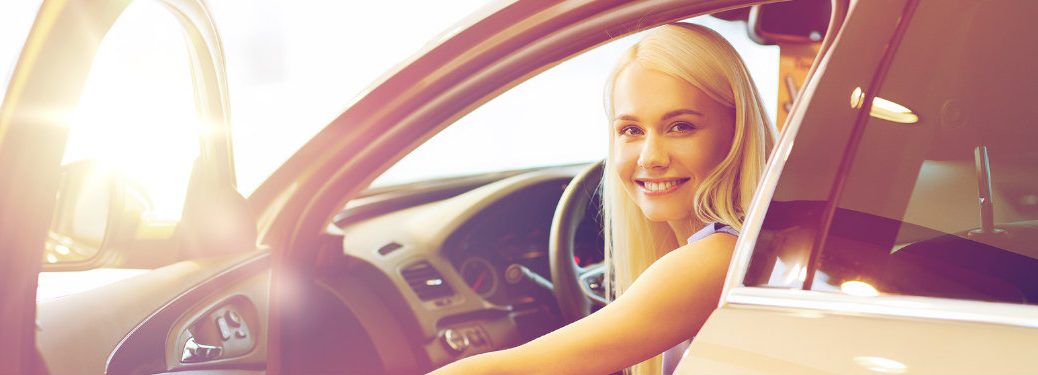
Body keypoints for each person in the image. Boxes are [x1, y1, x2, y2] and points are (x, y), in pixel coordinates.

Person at [429, 23, 775, 375]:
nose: (650, 157)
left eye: (680, 126)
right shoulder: (746, 244)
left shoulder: (717, 259)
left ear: (736, 131)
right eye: (631, 130)